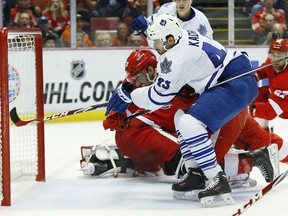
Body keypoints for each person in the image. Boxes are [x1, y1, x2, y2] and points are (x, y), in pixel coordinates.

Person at [105, 13, 259, 207]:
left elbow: (157, 98)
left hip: (235, 85)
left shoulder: (178, 58)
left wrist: (130, 95)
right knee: (180, 116)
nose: (155, 48)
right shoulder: (180, 36)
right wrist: (147, 30)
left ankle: (216, 179)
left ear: (170, 40)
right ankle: (194, 172)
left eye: (157, 44)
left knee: (189, 123)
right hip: (232, 81)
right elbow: (163, 32)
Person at [81, 50, 280, 188]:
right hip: (214, 116)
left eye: (136, 78)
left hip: (224, 113)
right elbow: (130, 97)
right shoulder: (143, 84)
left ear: (150, 71)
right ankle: (250, 160)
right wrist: (119, 114)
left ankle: (252, 160)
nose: (134, 83)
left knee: (202, 165)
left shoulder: (177, 74)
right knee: (198, 161)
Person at [249, 38, 288, 124]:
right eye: (273, 54)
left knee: (256, 107)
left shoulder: (285, 79)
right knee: (257, 94)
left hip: (285, 110)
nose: (275, 59)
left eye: (279, 55)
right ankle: (261, 133)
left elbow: (269, 112)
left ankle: (262, 136)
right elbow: (260, 73)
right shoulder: (270, 61)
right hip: (278, 98)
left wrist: (245, 108)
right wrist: (244, 79)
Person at [130, 0, 213, 39]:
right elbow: (149, 25)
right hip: (168, 56)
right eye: (178, 0)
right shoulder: (167, 8)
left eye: (184, 0)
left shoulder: (201, 20)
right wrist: (142, 25)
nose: (181, 3)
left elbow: (208, 46)